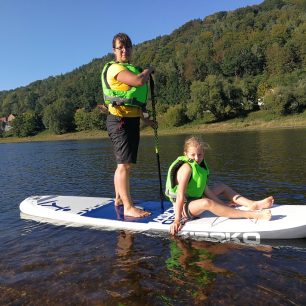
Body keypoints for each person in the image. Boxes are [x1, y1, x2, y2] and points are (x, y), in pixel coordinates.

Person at [165, 136, 273, 235]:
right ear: (185, 154)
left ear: (203, 154)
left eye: (200, 154)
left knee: (221, 186)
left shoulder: (200, 167)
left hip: (194, 200)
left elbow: (205, 190)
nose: (197, 158)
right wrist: (177, 220)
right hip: (183, 206)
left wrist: (223, 205)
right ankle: (251, 215)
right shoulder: (186, 168)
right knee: (206, 203)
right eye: (193, 155)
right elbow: (179, 195)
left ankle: (253, 204)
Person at [100, 33, 154, 217]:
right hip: (118, 121)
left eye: (128, 47)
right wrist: (148, 71)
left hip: (131, 120)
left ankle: (118, 198)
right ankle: (129, 208)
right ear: (114, 51)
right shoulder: (114, 69)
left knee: (125, 164)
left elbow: (136, 102)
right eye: (120, 47)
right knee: (123, 165)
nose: (124, 50)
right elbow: (139, 81)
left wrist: (146, 119)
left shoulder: (131, 68)